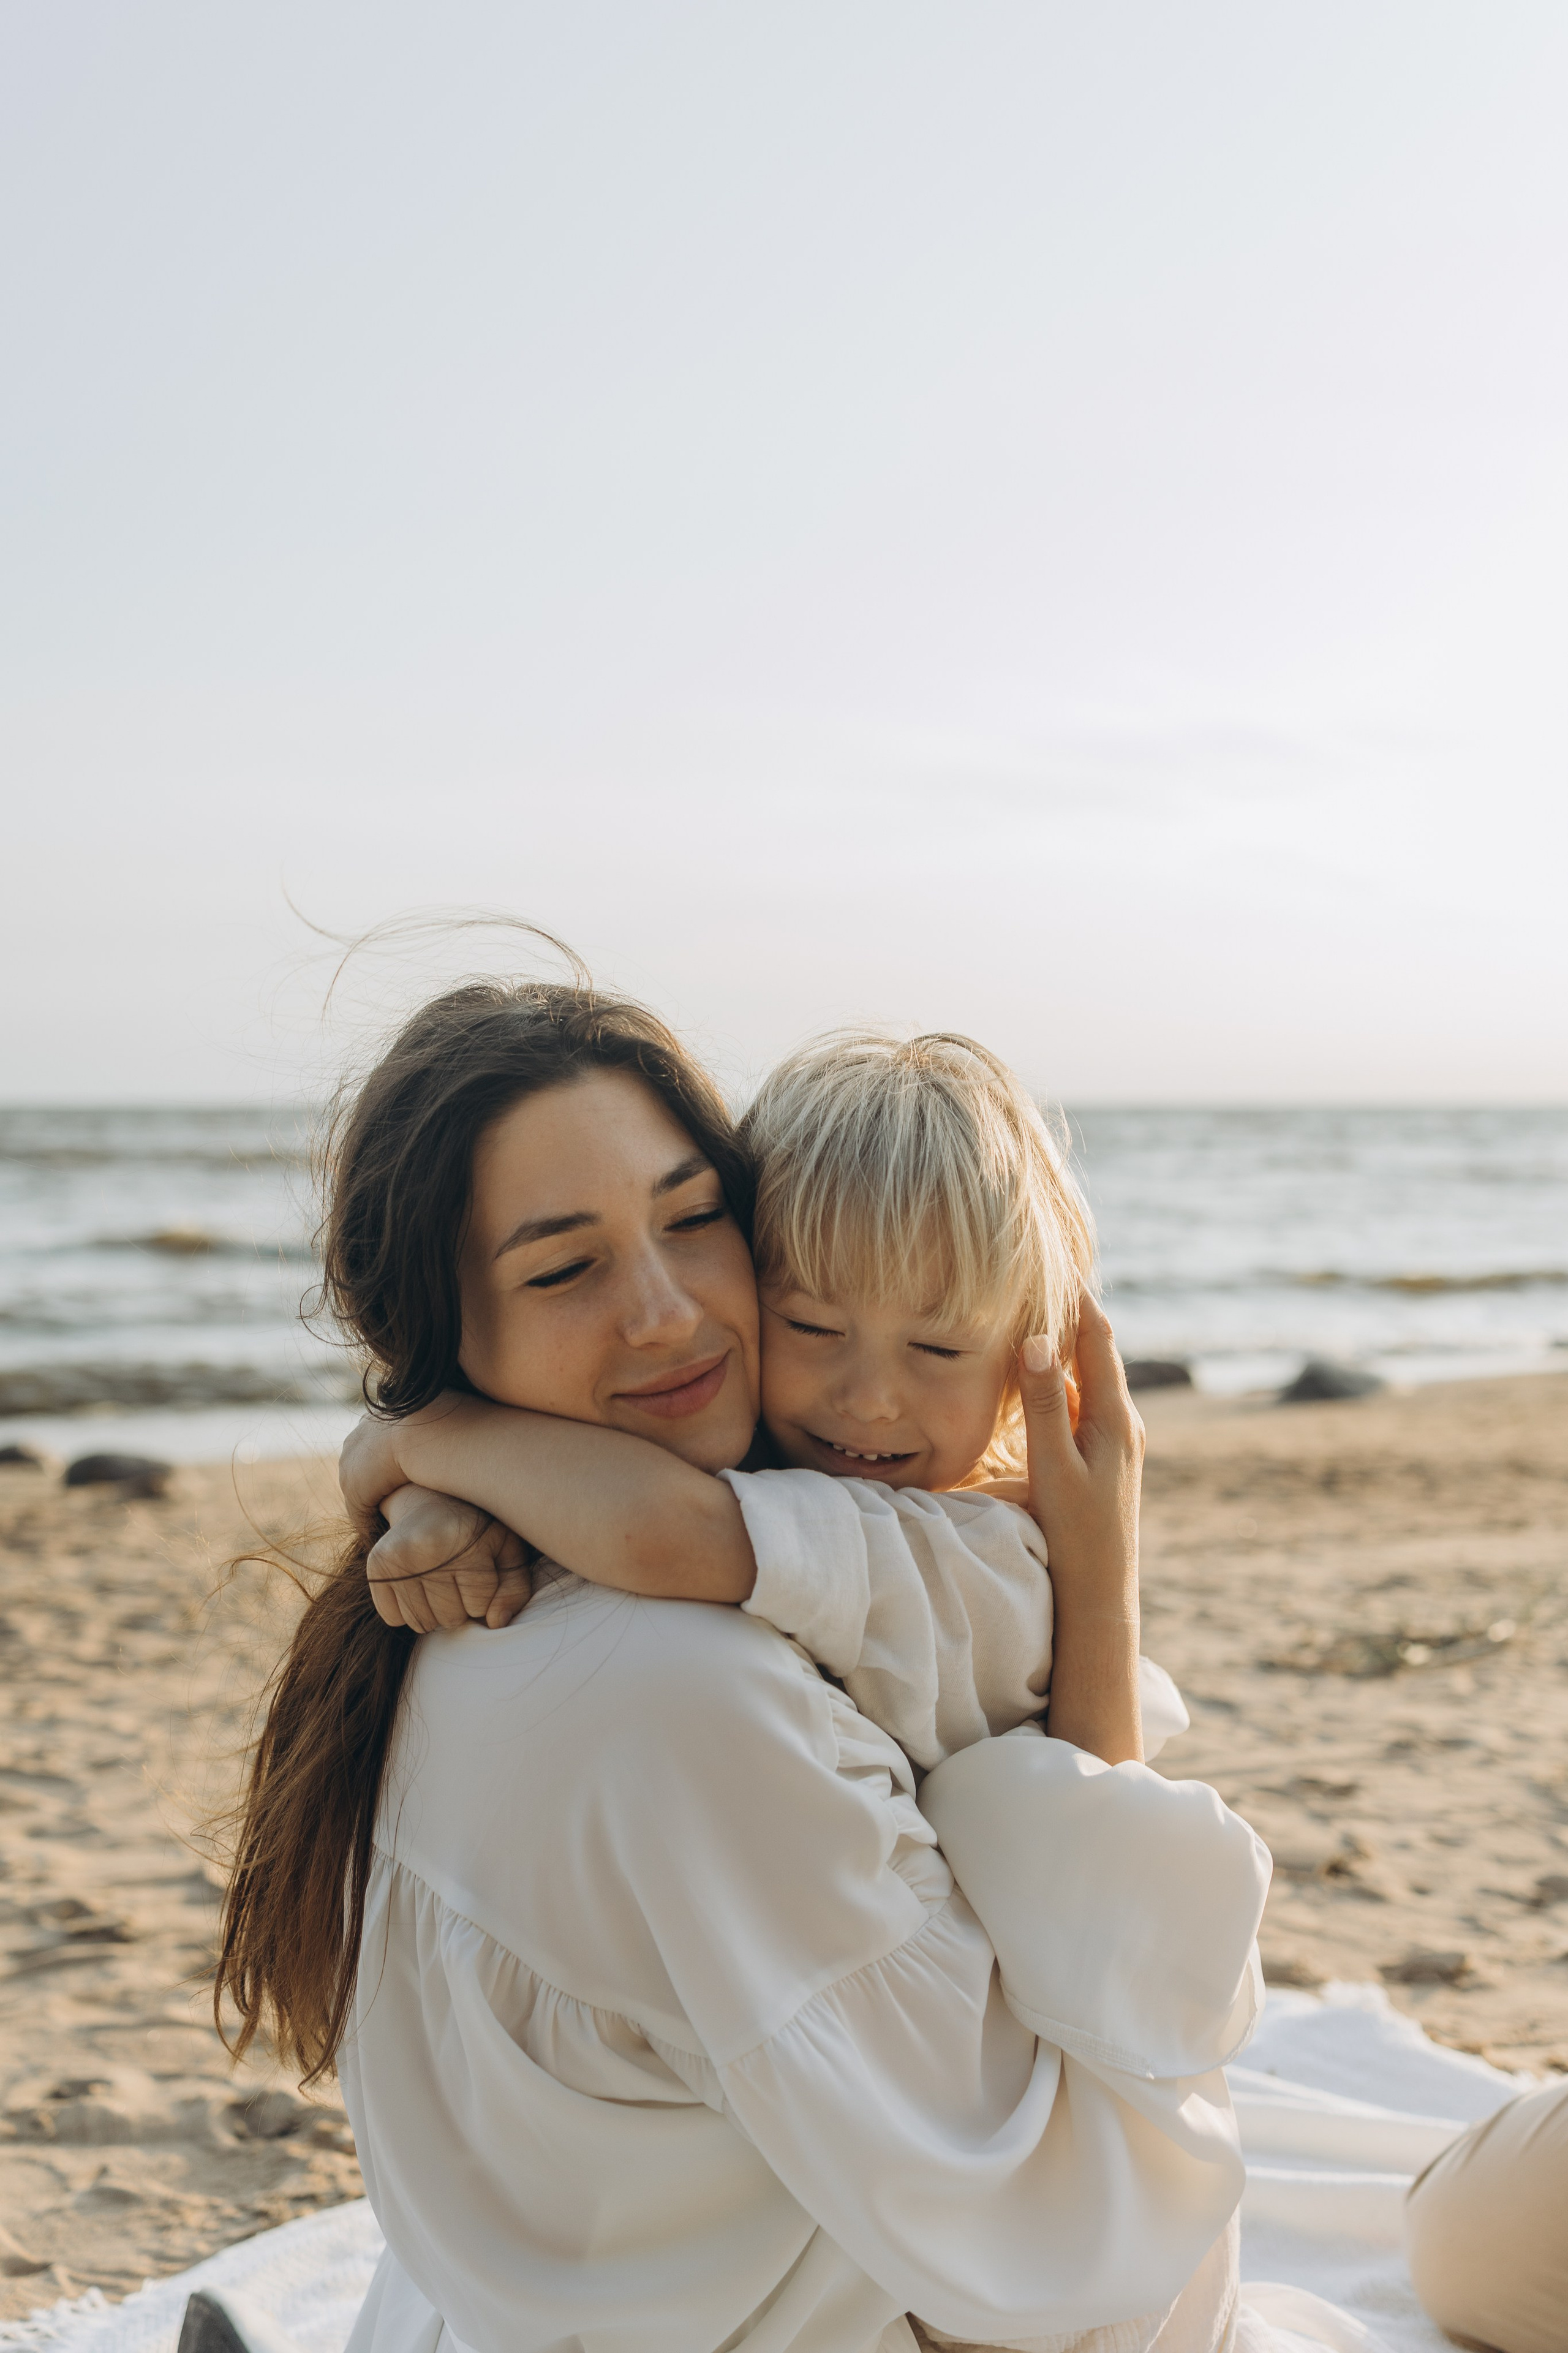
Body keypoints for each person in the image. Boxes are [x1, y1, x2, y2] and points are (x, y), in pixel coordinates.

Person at [217, 976, 1272, 2353]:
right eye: (562, 1265)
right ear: (439, 1331)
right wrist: (418, 1456)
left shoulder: (516, 1590)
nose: (666, 1315)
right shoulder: (685, 1675)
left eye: (688, 1219)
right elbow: (1018, 2207)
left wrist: (415, 1450)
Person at [343, 1027, 1190, 1776]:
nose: (869, 1401)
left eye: (937, 1348)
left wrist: (419, 1439)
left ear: (1023, 1375)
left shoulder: (979, 1555)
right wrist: (439, 1497)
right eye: (811, 1326)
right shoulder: (775, 1485)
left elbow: (665, 1531)